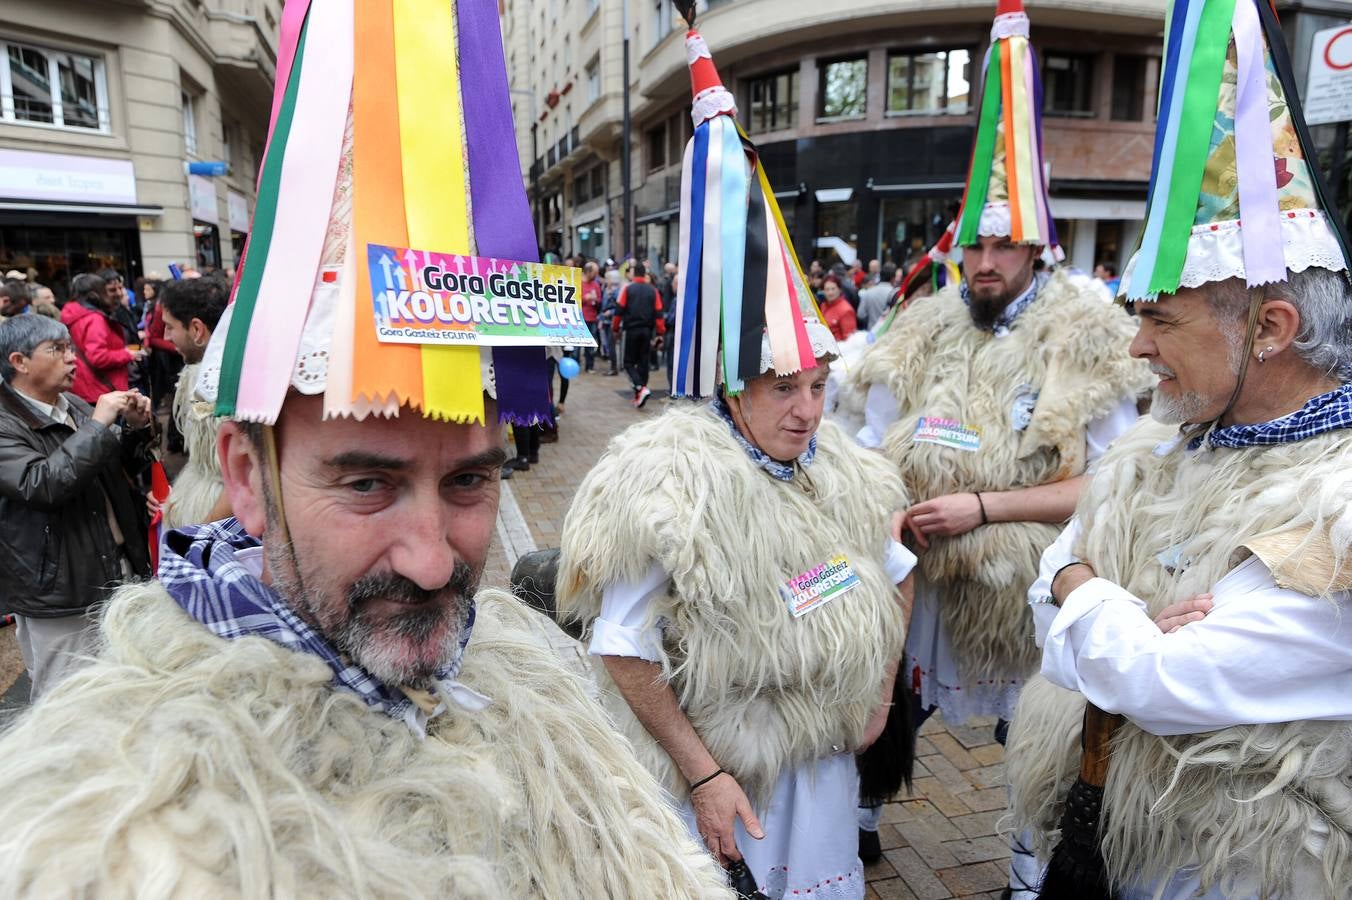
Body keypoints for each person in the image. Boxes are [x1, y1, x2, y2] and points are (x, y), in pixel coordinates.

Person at [0, 2, 727, 894]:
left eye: (468, 480)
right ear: (245, 478)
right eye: (368, 486)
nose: (433, 563)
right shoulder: (119, 846)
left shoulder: (530, 686)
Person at [559, 24, 914, 900]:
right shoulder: (671, 484)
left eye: (817, 385)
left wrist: (875, 700)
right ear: (733, 386)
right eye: (781, 388)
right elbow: (619, 644)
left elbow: (900, 564)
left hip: (823, 764)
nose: (806, 410)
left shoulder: (849, 469)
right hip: (729, 770)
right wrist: (704, 773)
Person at [1006, 3, 1352, 897]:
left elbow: (1160, 677)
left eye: (1161, 319)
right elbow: (1062, 622)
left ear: (1270, 329)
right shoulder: (1160, 447)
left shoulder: (1339, 507)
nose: (1135, 347)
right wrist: (1093, 605)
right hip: (1121, 847)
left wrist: (1086, 590)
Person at [844, 0, 1151, 887]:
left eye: (1002, 244)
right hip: (922, 569)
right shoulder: (921, 326)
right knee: (892, 697)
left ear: (1035, 246)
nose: (983, 259)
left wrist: (985, 507)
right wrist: (891, 519)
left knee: (1038, 726)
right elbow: (868, 446)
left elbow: (1107, 483)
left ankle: (1025, 857)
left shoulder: (1085, 334)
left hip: (1025, 582)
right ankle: (861, 809)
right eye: (972, 241)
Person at [0, 315, 153, 700]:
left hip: (113, 562)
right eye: (57, 349)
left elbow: (121, 469)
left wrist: (135, 428)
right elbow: (43, 484)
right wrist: (99, 424)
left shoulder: (74, 406)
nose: (72, 359)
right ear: (19, 362)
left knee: (124, 681)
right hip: (58, 585)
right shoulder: (6, 422)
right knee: (67, 699)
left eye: (71, 348)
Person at [158, 276, 230, 528]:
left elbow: (242, 479)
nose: (165, 335)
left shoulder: (227, 384)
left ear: (197, 329)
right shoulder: (197, 374)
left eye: (169, 326)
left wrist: (197, 537)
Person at [62, 272, 145, 404]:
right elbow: (97, 356)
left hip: (86, 386)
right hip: (101, 389)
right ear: (95, 294)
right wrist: (127, 354)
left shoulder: (77, 316)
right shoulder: (94, 319)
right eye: (106, 291)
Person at [613, 260, 664, 408]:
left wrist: (615, 329)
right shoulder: (653, 291)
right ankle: (640, 394)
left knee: (628, 363)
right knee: (643, 363)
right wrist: (660, 332)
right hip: (647, 331)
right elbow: (659, 313)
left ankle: (641, 388)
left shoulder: (628, 289)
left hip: (632, 330)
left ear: (634, 273)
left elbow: (619, 311)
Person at [856, 262, 897, 330]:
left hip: (871, 333)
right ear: (893, 278)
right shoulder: (895, 293)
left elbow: (861, 315)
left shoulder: (868, 292)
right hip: (889, 332)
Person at [579, 260, 602, 372]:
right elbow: (573, 299)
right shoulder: (579, 283)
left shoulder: (596, 284)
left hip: (592, 317)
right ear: (588, 272)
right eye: (594, 272)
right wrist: (585, 298)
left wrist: (595, 300)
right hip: (580, 317)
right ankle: (576, 363)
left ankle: (590, 366)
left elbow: (599, 300)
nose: (596, 275)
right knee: (577, 344)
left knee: (590, 344)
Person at [820, 275, 858, 341]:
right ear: (823, 291)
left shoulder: (846, 310)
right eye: (827, 289)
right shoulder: (823, 305)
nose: (830, 292)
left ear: (839, 290)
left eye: (833, 289)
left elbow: (850, 340)